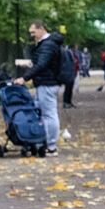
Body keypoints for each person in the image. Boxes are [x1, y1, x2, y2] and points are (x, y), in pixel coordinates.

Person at [14, 19, 64, 154]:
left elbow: (42, 65)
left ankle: (51, 146)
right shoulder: (47, 44)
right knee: (45, 113)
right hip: (46, 82)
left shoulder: (47, 45)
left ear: (41, 29)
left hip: (47, 83)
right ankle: (46, 142)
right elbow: (42, 63)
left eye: (33, 32)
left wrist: (24, 78)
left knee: (49, 114)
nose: (32, 35)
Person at [62, 44, 79, 109]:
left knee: (70, 88)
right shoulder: (67, 52)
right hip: (68, 72)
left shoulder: (72, 53)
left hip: (72, 72)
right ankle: (66, 102)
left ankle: (69, 102)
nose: (77, 48)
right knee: (68, 88)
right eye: (76, 47)